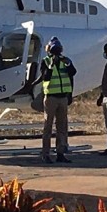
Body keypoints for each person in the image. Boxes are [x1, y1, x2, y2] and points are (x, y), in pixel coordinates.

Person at [37, 36, 76, 164]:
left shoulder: (65, 62)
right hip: (51, 98)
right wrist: (51, 66)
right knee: (48, 126)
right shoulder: (46, 61)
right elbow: (45, 78)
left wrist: (68, 63)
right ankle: (46, 154)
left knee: (62, 127)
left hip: (63, 97)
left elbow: (72, 74)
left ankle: (60, 153)